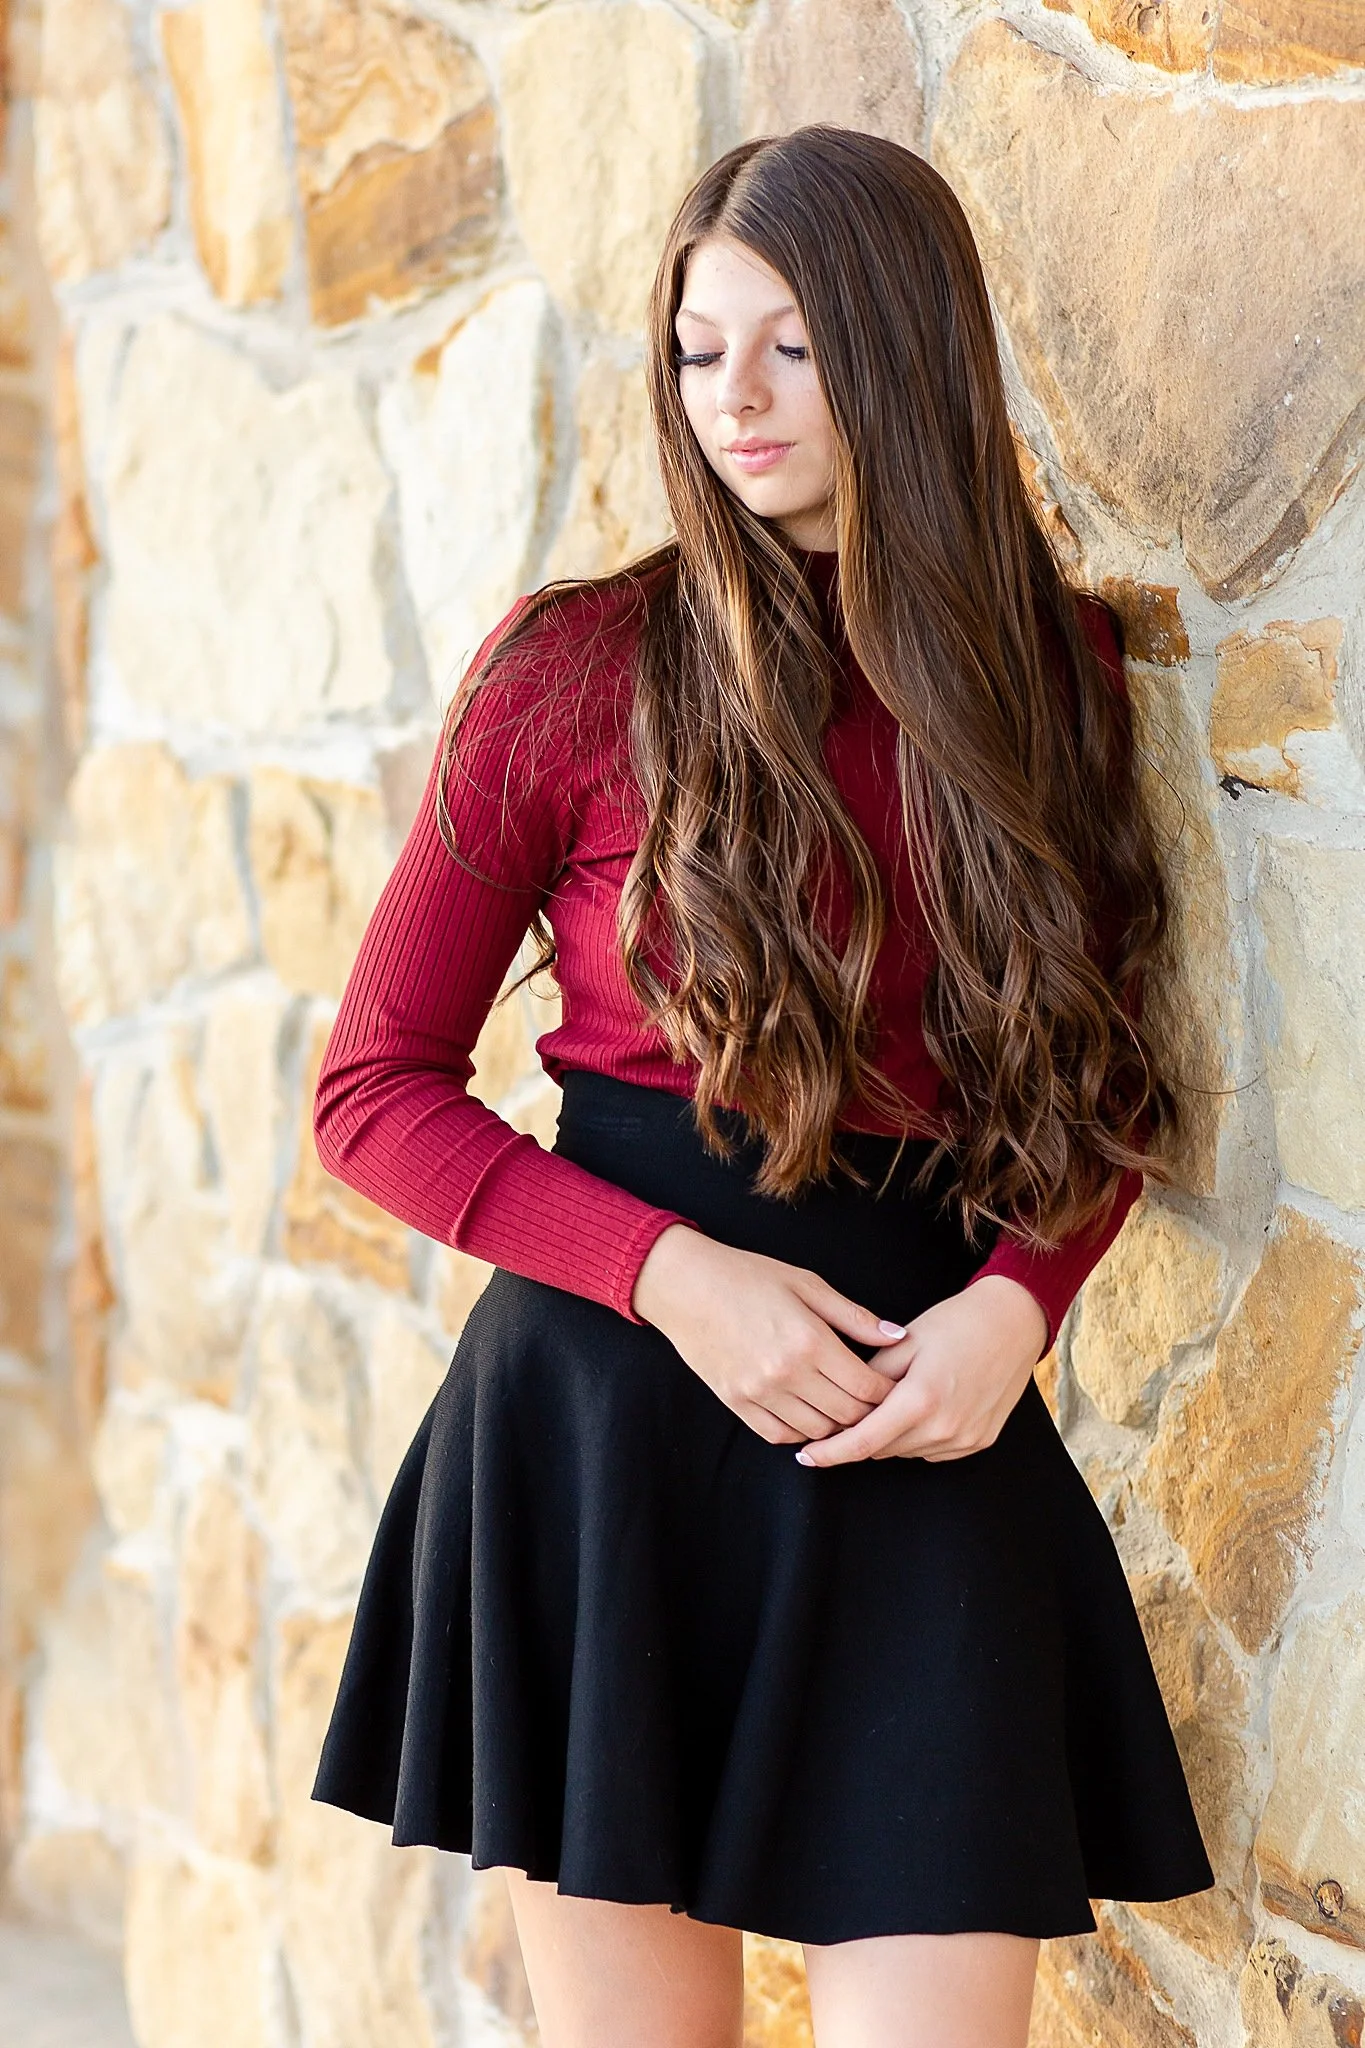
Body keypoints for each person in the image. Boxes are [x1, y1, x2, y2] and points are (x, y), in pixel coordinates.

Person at [308, 126, 1214, 2048]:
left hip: (920, 1423)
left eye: (792, 347)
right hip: (606, 1433)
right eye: (702, 348)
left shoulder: (1052, 675)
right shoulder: (572, 671)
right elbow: (373, 1091)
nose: (735, 399)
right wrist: (668, 1276)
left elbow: (1103, 1074)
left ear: (906, 348)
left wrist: (1016, 1315)